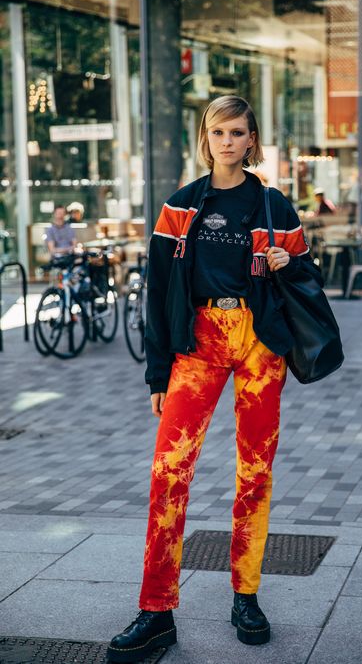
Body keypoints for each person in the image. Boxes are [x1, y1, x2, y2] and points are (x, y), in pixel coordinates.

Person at [107, 95, 320, 663]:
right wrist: (157, 372)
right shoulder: (180, 207)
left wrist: (287, 263)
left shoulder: (275, 207)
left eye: (238, 132)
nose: (228, 141)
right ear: (207, 138)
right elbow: (157, 294)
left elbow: (308, 277)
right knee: (168, 470)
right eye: (218, 131)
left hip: (259, 343)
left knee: (255, 470)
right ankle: (156, 611)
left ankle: (246, 594)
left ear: (252, 141)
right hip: (198, 342)